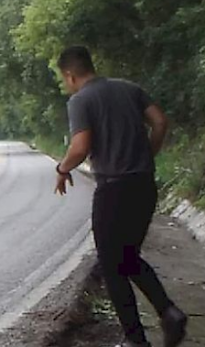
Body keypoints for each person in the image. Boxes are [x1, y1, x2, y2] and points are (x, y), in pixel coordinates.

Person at [54, 46, 187, 347]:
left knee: (111, 266)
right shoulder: (129, 88)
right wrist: (147, 154)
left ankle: (136, 340)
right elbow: (161, 122)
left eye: (65, 80)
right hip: (144, 185)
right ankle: (169, 312)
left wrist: (62, 169)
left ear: (70, 74)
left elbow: (80, 146)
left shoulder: (80, 100)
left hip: (114, 189)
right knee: (126, 258)